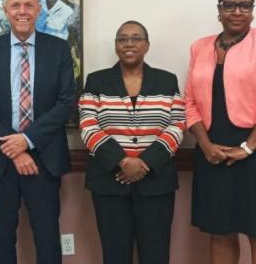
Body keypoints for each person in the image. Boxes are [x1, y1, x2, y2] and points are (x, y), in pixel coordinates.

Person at [185, 0, 256, 264]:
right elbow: (190, 103)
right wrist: (205, 145)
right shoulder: (199, 47)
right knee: (220, 231)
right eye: (230, 5)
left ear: (253, 11)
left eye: (245, 5)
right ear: (219, 10)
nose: (237, 11)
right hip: (214, 150)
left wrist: (247, 147)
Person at [0, 0, 75, 264]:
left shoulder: (59, 49)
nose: (22, 11)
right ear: (6, 11)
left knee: (48, 239)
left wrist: (27, 141)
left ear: (38, 10)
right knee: (2, 239)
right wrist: (16, 149)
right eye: (15, 6)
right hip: (0, 160)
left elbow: (65, 103)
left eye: (28, 5)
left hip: (44, 158)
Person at [79, 21, 185, 264]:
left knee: (156, 255)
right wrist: (122, 162)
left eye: (136, 38)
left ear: (146, 45)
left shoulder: (167, 80)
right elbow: (88, 125)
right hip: (109, 183)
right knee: (114, 254)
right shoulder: (96, 81)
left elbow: (178, 124)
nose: (129, 43)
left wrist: (144, 163)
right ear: (116, 46)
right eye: (122, 38)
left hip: (156, 183)